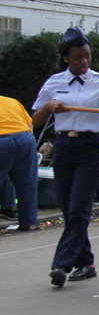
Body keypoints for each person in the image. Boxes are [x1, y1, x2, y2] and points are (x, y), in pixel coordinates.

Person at [32, 28, 99, 286]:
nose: (84, 62)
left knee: (80, 207)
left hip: (90, 148)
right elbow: (35, 120)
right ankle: (86, 262)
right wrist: (49, 107)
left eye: (87, 57)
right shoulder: (54, 83)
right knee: (69, 210)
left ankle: (62, 263)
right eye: (77, 58)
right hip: (63, 147)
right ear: (66, 59)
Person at [0, 96, 38, 232]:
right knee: (26, 182)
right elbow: (30, 124)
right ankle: (27, 222)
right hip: (25, 138)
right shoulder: (12, 101)